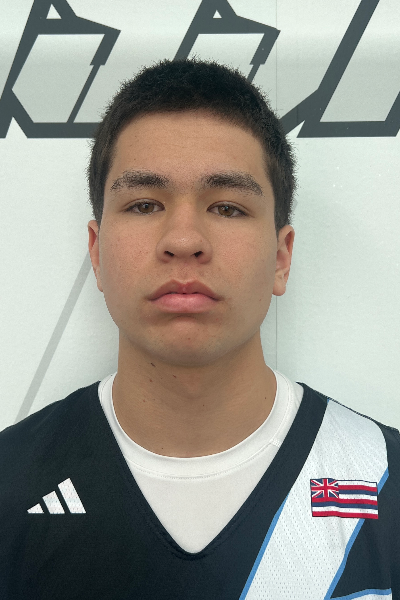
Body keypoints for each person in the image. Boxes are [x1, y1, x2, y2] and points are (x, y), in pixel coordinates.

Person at [0, 58, 399, 600]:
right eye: (144, 204)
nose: (184, 240)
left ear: (281, 258)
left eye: (227, 208)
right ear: (96, 252)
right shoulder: (10, 483)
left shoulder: (385, 481)